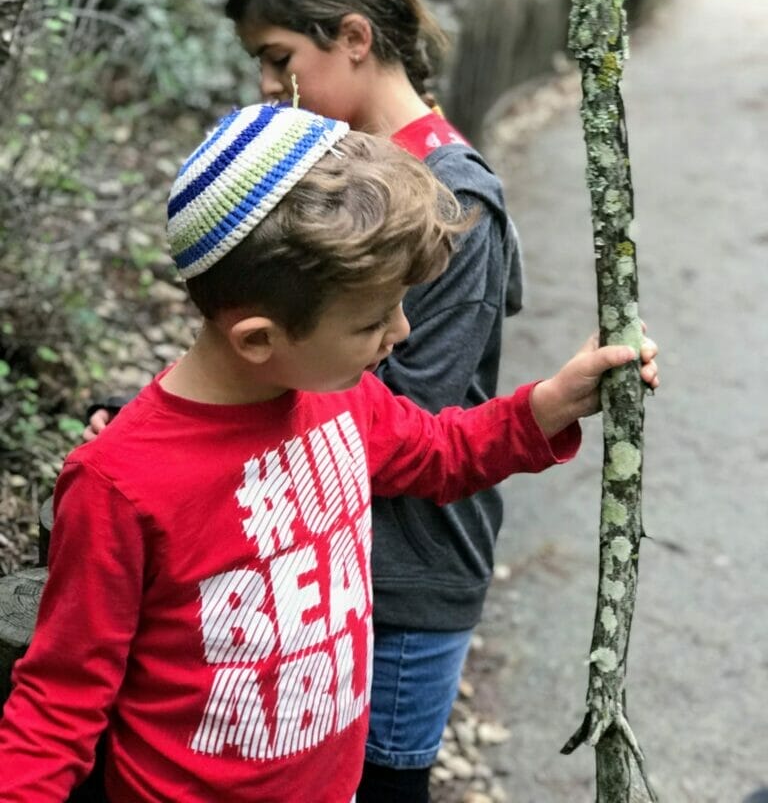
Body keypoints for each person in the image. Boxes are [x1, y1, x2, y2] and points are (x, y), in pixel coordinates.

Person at [0, 103, 658, 802]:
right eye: (373, 320)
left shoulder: (341, 395)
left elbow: (440, 451)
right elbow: (60, 702)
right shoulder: (120, 485)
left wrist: (550, 402)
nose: (401, 332)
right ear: (258, 339)